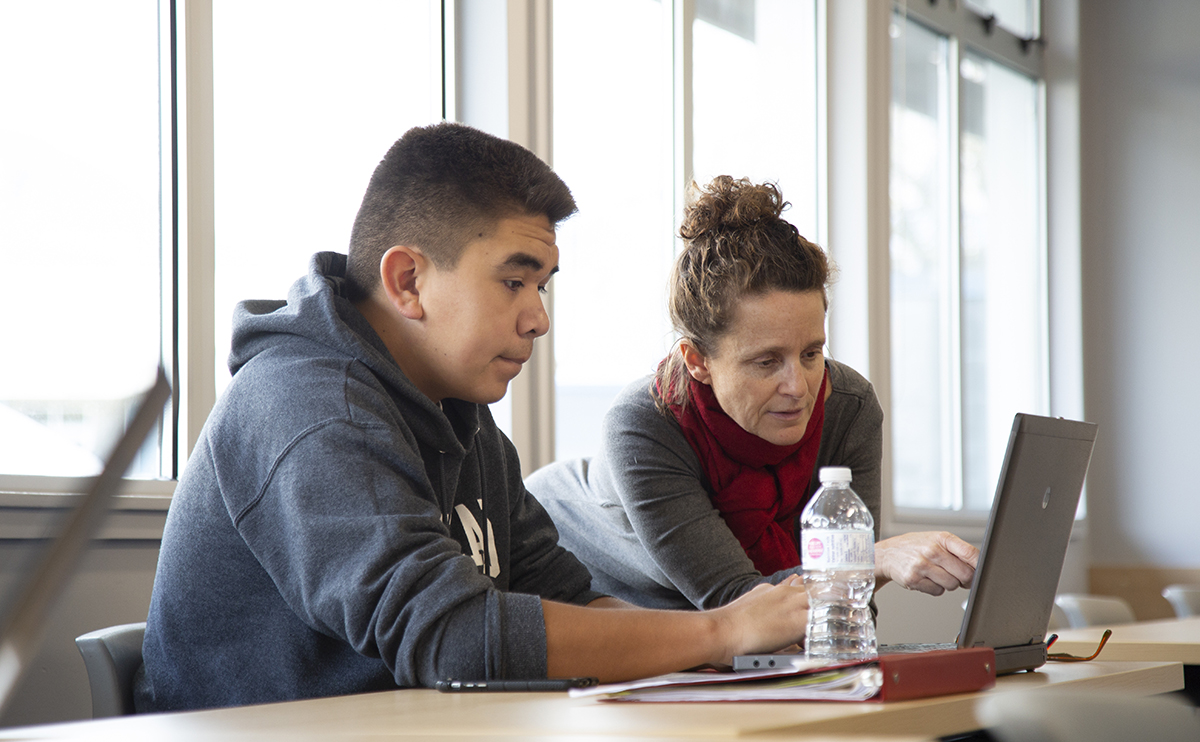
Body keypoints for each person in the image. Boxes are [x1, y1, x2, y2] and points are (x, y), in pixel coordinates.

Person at [136, 125, 810, 713]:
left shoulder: (464, 417)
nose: (539, 317)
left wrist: (724, 663)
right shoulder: (310, 407)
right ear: (408, 282)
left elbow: (565, 595)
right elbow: (454, 640)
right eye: (514, 281)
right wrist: (721, 632)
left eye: (542, 285)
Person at [527, 175, 978, 612]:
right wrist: (870, 560)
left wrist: (860, 576)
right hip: (569, 574)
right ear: (697, 361)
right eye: (766, 362)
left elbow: (847, 611)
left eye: (811, 353)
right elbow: (737, 604)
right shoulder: (643, 424)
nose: (798, 386)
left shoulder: (848, 406)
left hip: (701, 617)